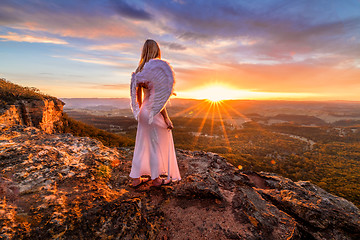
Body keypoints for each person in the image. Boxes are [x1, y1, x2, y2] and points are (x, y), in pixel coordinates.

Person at [129, 39, 181, 187]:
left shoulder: (139, 71)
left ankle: (136, 179)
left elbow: (137, 97)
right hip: (153, 111)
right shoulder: (156, 71)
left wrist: (140, 112)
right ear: (156, 51)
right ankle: (156, 179)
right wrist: (167, 119)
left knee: (142, 143)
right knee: (155, 144)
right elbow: (158, 100)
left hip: (143, 112)